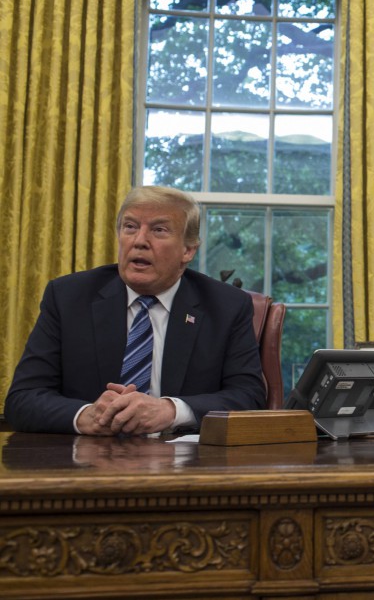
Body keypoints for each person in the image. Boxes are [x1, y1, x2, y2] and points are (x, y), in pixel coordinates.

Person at [5, 186, 267, 435]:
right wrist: (87, 415)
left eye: (159, 230)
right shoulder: (68, 297)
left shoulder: (226, 306)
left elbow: (249, 397)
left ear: (188, 250)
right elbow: (22, 399)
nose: (139, 241)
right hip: (86, 457)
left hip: (183, 459)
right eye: (130, 227)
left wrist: (171, 411)